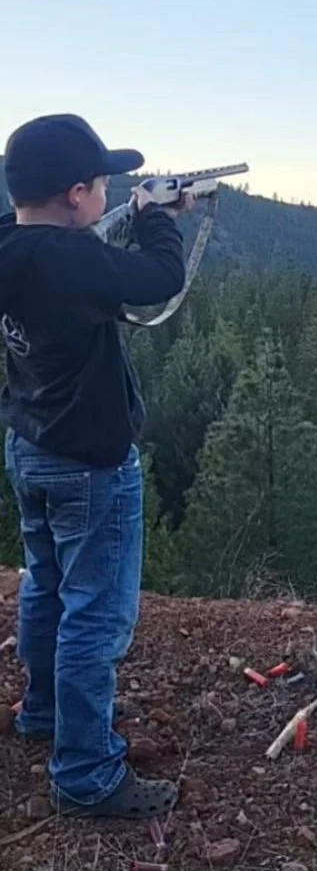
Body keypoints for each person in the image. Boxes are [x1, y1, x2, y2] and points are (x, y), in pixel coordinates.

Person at [0, 113, 192, 817]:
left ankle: (44, 713)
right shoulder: (71, 260)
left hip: (30, 444)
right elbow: (161, 276)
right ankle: (87, 776)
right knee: (97, 618)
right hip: (89, 462)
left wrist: (126, 214)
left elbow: (58, 252)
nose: (109, 193)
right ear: (76, 195)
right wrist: (157, 217)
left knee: (47, 589)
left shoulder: (11, 244)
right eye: (102, 185)